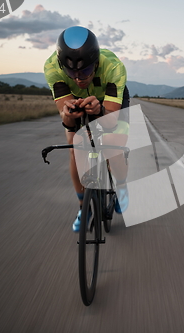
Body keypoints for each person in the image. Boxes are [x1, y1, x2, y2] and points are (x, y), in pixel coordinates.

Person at [44, 26, 129, 232]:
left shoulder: (114, 67)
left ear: (96, 62)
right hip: (80, 104)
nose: (78, 78)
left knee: (113, 147)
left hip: (108, 106)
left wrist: (99, 110)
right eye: (71, 72)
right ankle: (84, 207)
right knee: (75, 148)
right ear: (61, 65)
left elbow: (110, 122)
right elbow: (68, 121)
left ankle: (121, 186)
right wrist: (69, 115)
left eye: (85, 71)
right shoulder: (52, 68)